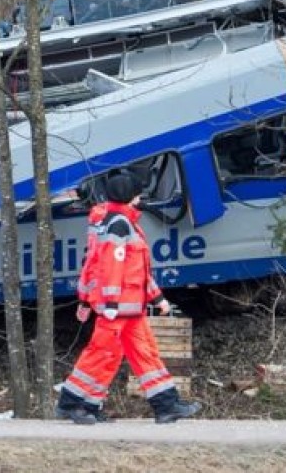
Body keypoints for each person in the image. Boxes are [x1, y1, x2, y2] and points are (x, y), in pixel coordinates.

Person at [56, 170, 201, 424]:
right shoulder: (119, 225)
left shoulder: (119, 222)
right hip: (118, 307)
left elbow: (138, 271)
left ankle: (165, 405)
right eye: (137, 194)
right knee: (102, 354)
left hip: (130, 308)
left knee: (145, 353)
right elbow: (111, 267)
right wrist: (109, 303)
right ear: (129, 197)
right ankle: (74, 404)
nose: (140, 198)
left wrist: (157, 299)